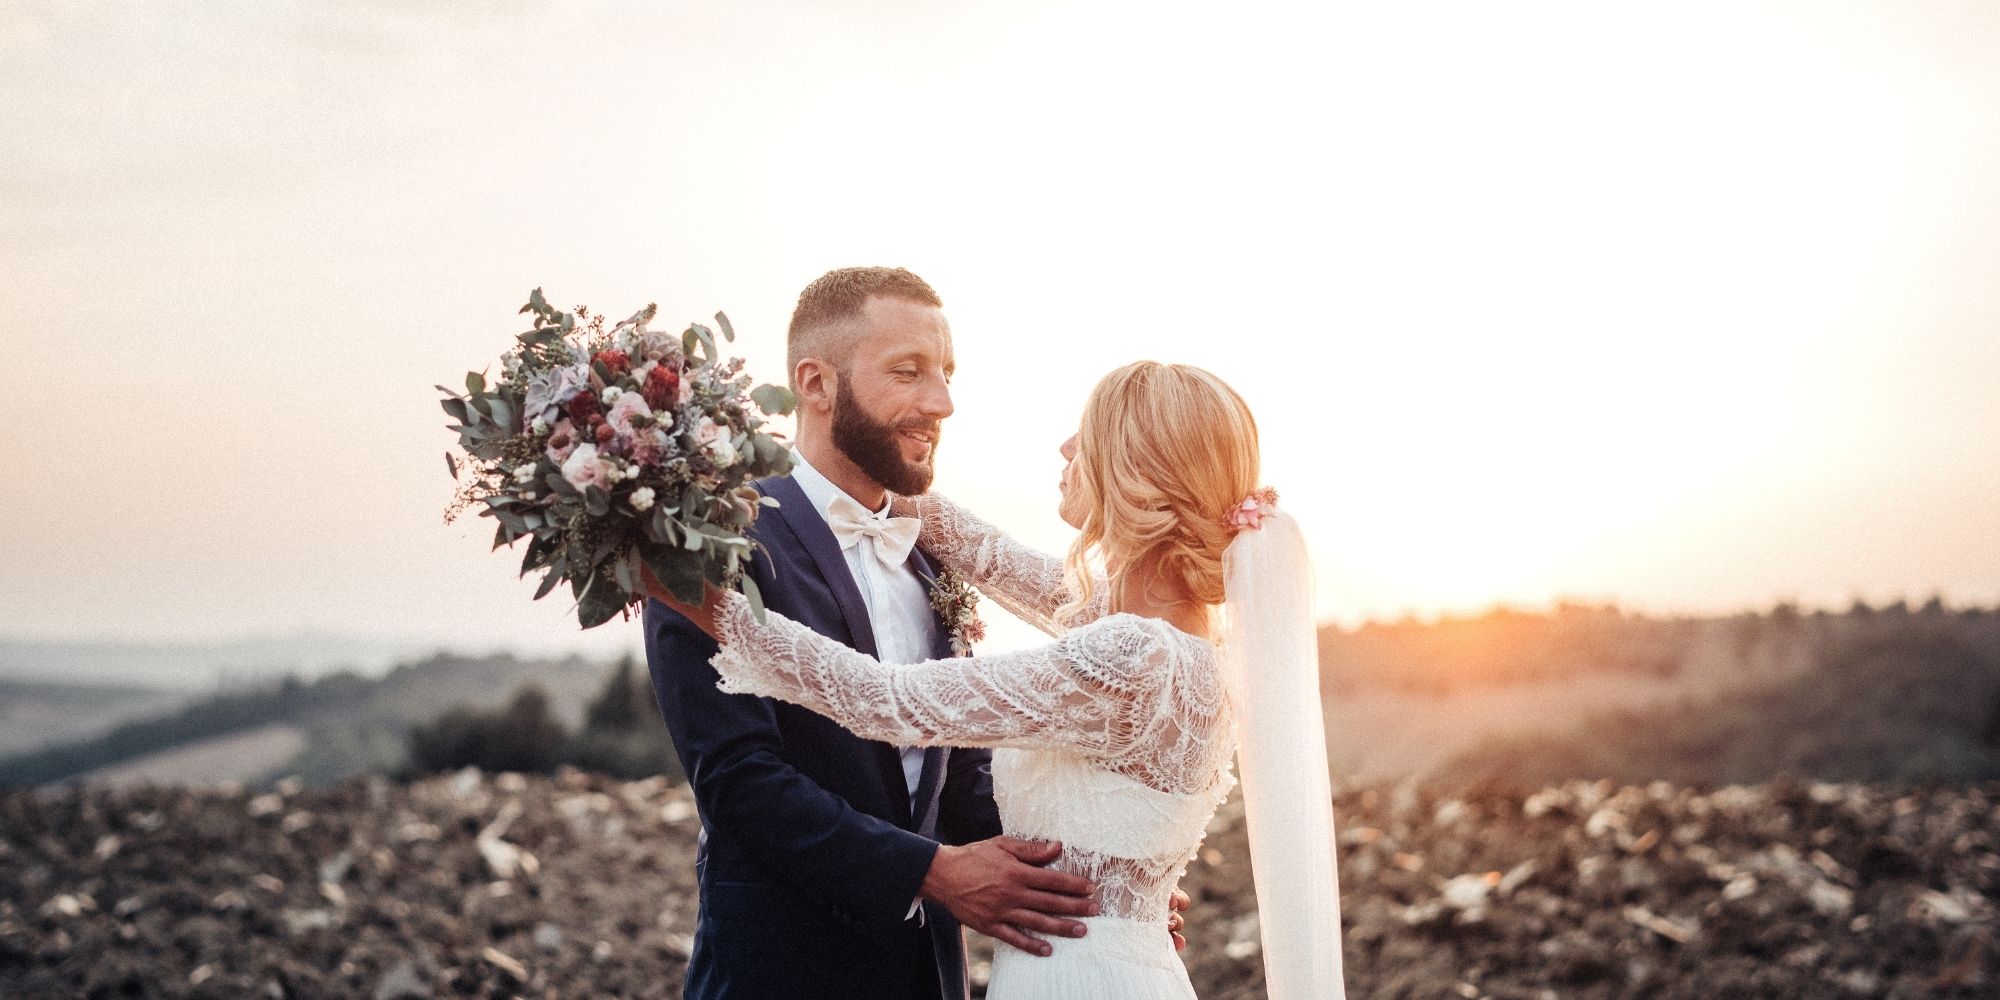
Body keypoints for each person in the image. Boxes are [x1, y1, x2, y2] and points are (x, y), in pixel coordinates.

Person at [653, 359, 1346, 999]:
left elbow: (886, 702)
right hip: (1115, 961)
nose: (1066, 448)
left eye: (1089, 435)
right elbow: (985, 553)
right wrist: (814, 457)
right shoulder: (1168, 633)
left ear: (1137, 472)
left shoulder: (1134, 653)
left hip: (1078, 979)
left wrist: (697, 596)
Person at [642, 267, 1188, 1000]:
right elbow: (738, 781)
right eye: (909, 372)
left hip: (930, 978)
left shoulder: (931, 547)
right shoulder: (713, 542)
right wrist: (931, 873)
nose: (942, 403)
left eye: (946, 374)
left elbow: (957, 773)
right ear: (816, 383)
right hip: (778, 973)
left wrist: (1095, 879)